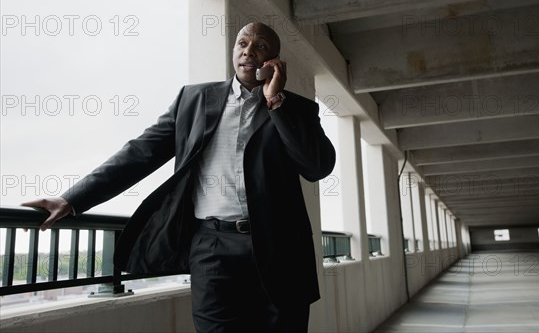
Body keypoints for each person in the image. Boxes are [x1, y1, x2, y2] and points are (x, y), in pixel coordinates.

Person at [23, 22, 336, 332]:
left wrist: (275, 103)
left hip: (280, 248)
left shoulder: (297, 109)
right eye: (242, 44)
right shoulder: (194, 100)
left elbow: (317, 166)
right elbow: (140, 152)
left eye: (260, 46)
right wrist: (73, 199)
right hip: (212, 247)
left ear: (274, 61)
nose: (248, 52)